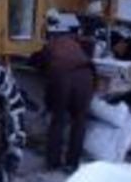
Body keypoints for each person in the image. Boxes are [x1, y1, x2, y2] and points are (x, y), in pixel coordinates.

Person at [30, 31, 96, 173]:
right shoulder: (75, 42)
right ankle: (72, 164)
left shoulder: (48, 47)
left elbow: (39, 65)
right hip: (86, 77)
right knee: (79, 121)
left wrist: (49, 105)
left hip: (64, 79)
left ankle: (53, 163)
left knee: (58, 121)